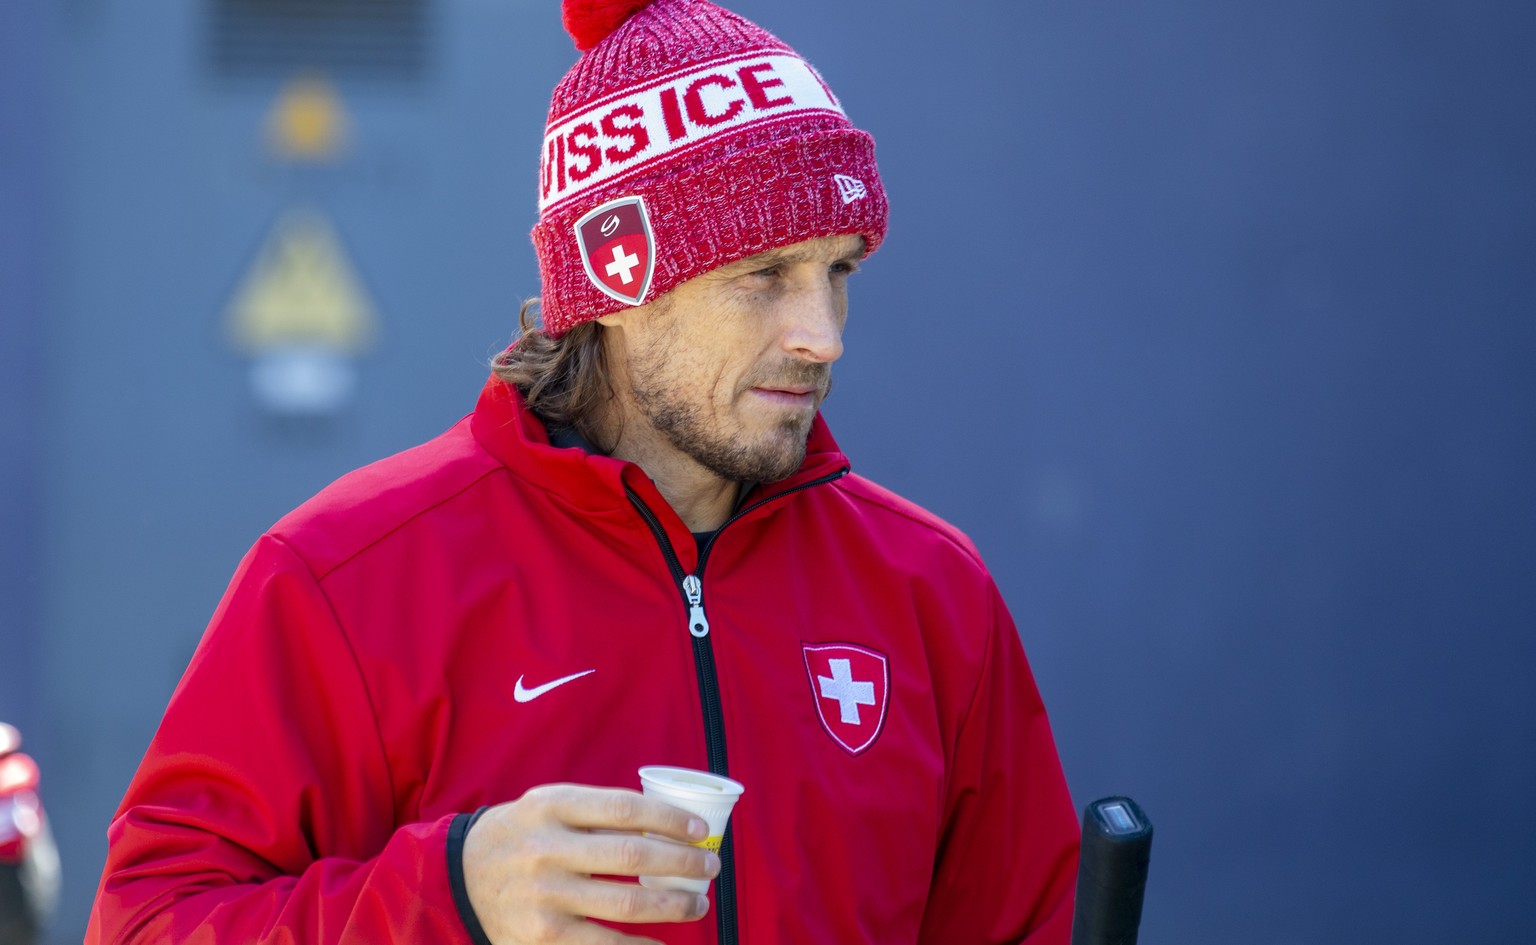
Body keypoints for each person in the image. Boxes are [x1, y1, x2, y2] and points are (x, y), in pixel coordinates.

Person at [86, 0, 1080, 942]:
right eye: (764, 277)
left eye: (839, 272)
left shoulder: (933, 595)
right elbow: (143, 922)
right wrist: (452, 896)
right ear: (614, 278)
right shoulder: (348, 578)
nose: (822, 337)